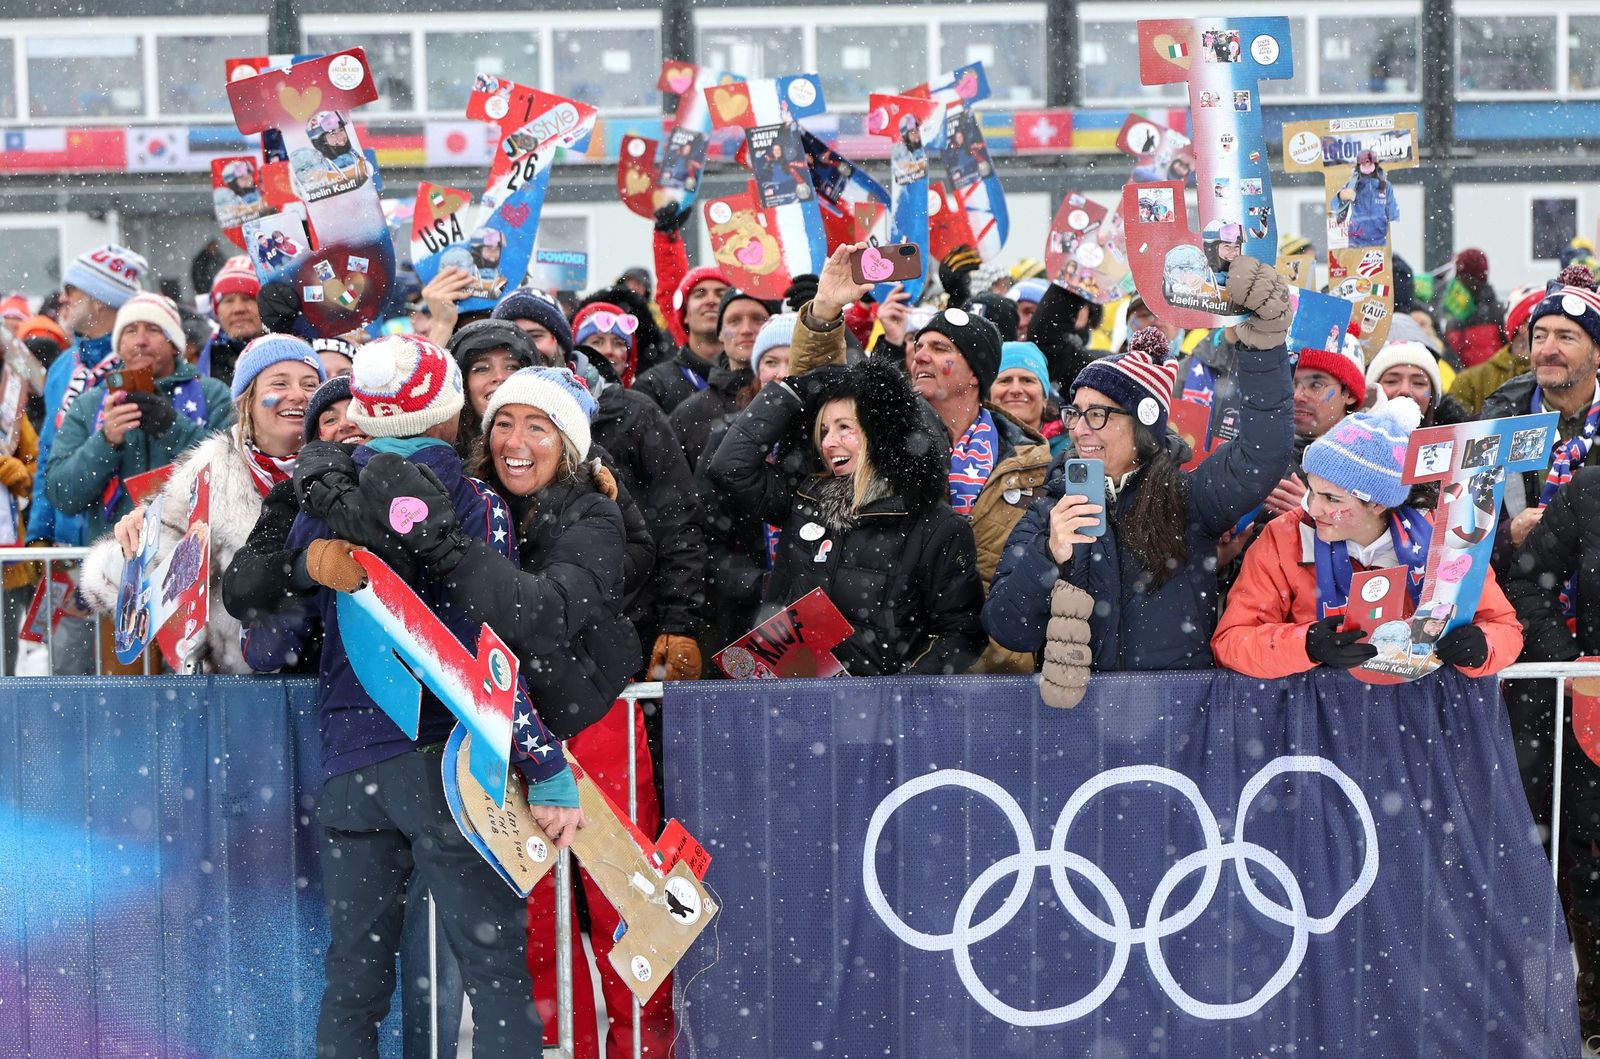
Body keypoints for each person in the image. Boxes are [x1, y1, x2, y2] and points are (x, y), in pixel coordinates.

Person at [244, 336, 577, 1058]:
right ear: (452, 409)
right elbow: (487, 646)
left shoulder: (321, 500)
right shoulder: (472, 499)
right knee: (495, 978)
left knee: (355, 977)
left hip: (349, 768)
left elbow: (271, 581)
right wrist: (543, 759)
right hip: (447, 763)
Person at [334, 363, 645, 1057]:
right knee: (523, 940)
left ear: (567, 442)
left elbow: (534, 615)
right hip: (493, 735)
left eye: (538, 425)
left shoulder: (591, 512)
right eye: (503, 420)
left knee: (615, 911)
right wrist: (330, 461)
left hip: (572, 731)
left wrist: (445, 543)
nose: (516, 439)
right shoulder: (471, 497)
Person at [982, 256, 1294, 671]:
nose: (1079, 430)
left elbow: (1262, 453)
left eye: (1099, 415)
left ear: (1143, 428)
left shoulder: (1190, 499)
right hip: (1077, 725)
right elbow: (1007, 628)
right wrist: (1049, 554)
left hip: (1174, 719)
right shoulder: (1049, 511)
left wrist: (1263, 348)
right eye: (1075, 413)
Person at [708, 355, 986, 675]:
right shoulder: (806, 500)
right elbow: (729, 468)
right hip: (796, 707)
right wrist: (793, 388)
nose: (828, 443)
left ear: (880, 432)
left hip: (881, 715)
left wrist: (901, 692)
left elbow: (962, 634)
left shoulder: (937, 527)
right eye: (824, 430)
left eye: (844, 428)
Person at [1212, 395, 1521, 679]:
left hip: (1422, 716)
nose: (1313, 507)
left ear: (1377, 504)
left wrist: (1482, 647)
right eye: (1312, 491)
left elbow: (1506, 629)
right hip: (1317, 714)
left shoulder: (1440, 538)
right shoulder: (1284, 537)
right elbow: (1231, 642)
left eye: (1332, 500)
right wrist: (1306, 644)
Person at [78, 333, 323, 672]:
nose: (297, 394)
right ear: (247, 400)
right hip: (240, 686)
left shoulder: (347, 463)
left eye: (310, 384)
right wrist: (133, 547)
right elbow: (140, 579)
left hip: (334, 676)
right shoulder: (205, 475)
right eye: (279, 383)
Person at [1504, 465, 1600, 1045]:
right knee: (1590, 864)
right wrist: (1574, 669)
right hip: (1596, 718)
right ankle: (1592, 1007)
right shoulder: (1589, 490)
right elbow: (1527, 584)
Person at [45, 293, 234, 547]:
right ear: (119, 344)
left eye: (154, 330)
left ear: (174, 343)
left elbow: (232, 477)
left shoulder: (212, 394)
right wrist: (106, 441)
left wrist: (172, 427)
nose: (141, 341)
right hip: (114, 564)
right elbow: (62, 495)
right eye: (131, 331)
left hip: (194, 556)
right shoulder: (89, 404)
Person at [1483, 265, 1600, 552]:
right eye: (1539, 336)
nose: (1547, 349)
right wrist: (1508, 536)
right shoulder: (1498, 422)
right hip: (1521, 590)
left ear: (1597, 353)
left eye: (1566, 337)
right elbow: (1461, 538)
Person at [668, 288, 774, 468]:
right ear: (720, 333)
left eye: (757, 319)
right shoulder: (687, 414)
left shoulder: (794, 399)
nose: (746, 329)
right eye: (734, 321)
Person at [633, 241, 731, 413]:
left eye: (720, 294)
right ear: (685, 314)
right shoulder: (653, 384)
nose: (711, 300)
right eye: (700, 294)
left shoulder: (753, 379)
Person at [446, 318, 537, 460]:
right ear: (462, 384)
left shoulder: (554, 446)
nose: (499, 377)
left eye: (512, 367)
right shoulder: (443, 458)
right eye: (482, 369)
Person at [1451, 284, 1541, 417]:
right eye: (1540, 322)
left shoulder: (1556, 375)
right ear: (1522, 326)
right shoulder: (1469, 382)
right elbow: (1458, 433)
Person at [202, 256, 266, 385]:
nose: (238, 309)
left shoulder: (296, 350)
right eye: (228, 301)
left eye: (248, 298)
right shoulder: (200, 358)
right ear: (216, 311)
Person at [992, 341, 1063, 456]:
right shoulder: (974, 446)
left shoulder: (1072, 448)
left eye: (1027, 380)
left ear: (1045, 397)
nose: (1016, 390)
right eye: (1005, 381)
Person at [1439, 247, 1504, 368]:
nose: (1458, 283)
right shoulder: (1453, 315)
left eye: (1462, 276)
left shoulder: (1498, 314)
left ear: (1475, 279)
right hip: (1458, 385)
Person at [1335, 149, 1398, 249]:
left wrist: (1391, 218)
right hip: (1356, 238)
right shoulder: (1352, 184)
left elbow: (1393, 212)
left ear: (1375, 165)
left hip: (1379, 239)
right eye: (1363, 165)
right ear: (1359, 166)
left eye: (1369, 164)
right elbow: (1335, 204)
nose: (1367, 167)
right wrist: (1341, 196)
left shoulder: (1386, 186)